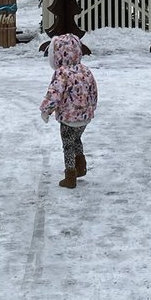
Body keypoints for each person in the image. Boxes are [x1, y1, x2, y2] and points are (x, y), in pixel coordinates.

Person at [40, 33, 98, 190]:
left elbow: (54, 94)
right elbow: (94, 91)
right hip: (85, 118)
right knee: (76, 138)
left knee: (67, 145)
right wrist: (91, 108)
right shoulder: (85, 71)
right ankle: (81, 165)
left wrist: (46, 110)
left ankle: (70, 175)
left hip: (68, 118)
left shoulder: (62, 73)